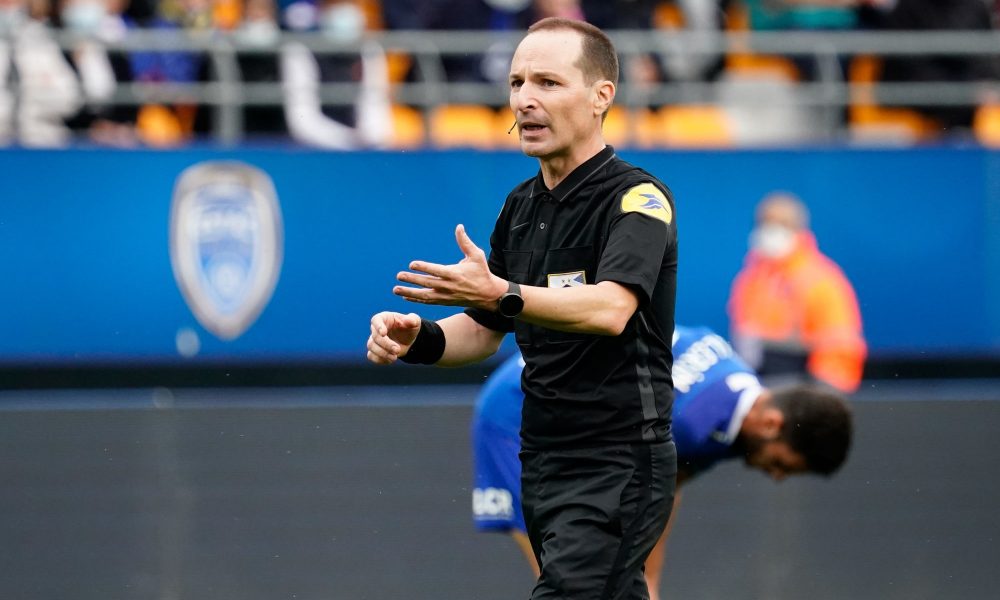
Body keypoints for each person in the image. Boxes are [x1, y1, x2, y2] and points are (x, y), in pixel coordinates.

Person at [367, 17, 679, 600]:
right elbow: (486, 330)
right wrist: (419, 339)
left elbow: (611, 308)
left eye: (548, 83)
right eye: (517, 83)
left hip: (619, 460)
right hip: (540, 458)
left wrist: (500, 293)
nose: (524, 100)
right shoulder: (519, 206)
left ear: (601, 96)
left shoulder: (637, 199)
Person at [472, 324, 854, 599]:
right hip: (516, 412)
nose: (776, 476)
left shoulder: (734, 378)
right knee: (567, 581)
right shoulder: (693, 424)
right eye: (784, 464)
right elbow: (645, 495)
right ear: (772, 424)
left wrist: (647, 585)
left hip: (549, 389)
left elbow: (660, 494)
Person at [727, 191, 866, 393]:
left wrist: (818, 396)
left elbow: (840, 349)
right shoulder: (750, 279)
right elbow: (744, 338)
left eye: (782, 224)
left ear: (799, 228)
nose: (770, 230)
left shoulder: (822, 280)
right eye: (764, 223)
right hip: (760, 387)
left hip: (805, 389)